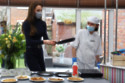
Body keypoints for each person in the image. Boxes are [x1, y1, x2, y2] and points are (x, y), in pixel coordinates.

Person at [22, 2, 55, 71]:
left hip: (39, 52)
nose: (40, 12)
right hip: (30, 52)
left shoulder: (43, 23)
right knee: (37, 75)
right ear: (32, 11)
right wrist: (43, 41)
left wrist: (51, 42)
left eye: (41, 10)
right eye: (38, 10)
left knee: (43, 73)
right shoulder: (26, 24)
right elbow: (29, 41)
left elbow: (46, 38)